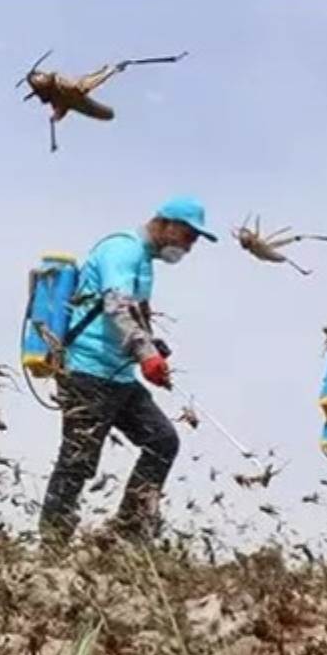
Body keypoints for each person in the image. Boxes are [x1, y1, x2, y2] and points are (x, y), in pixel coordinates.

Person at [38, 196, 215, 546]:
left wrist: (152, 346)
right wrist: (145, 354)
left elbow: (134, 315)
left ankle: (127, 533)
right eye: (189, 235)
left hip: (118, 375)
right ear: (166, 223)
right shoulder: (123, 250)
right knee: (78, 458)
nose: (190, 246)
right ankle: (52, 543)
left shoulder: (145, 262)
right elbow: (116, 305)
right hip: (87, 371)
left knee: (162, 441)